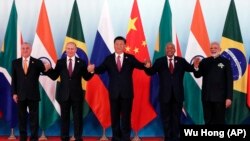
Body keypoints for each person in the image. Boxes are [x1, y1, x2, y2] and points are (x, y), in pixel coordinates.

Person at [87, 36, 149, 141]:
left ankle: (125, 137)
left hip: (127, 93)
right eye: (117, 44)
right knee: (114, 117)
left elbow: (141, 65)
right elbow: (101, 69)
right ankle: (116, 137)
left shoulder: (130, 58)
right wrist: (93, 69)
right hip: (114, 93)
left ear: (125, 46)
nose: (119, 46)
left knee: (126, 117)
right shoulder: (109, 59)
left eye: (121, 44)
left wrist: (146, 64)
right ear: (114, 45)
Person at [145, 42, 196, 141]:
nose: (170, 50)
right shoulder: (160, 61)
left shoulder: (181, 61)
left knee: (176, 117)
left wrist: (195, 65)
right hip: (164, 95)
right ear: (165, 50)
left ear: (175, 50)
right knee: (166, 118)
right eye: (168, 48)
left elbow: (191, 69)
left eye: (172, 48)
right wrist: (147, 67)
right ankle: (168, 137)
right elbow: (151, 72)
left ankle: (176, 137)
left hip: (178, 95)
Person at [46, 42, 93, 141]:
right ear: (65, 50)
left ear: (76, 50)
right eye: (68, 48)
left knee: (78, 118)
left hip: (77, 95)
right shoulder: (60, 62)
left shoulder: (81, 62)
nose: (70, 50)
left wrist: (91, 71)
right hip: (64, 94)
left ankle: (78, 137)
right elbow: (54, 76)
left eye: (72, 49)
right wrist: (48, 70)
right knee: (64, 118)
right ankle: (64, 137)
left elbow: (86, 77)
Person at [11, 42, 50, 141]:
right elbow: (14, 79)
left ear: (30, 49)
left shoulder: (37, 62)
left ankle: (33, 138)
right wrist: (14, 93)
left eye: (27, 48)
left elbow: (45, 71)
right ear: (21, 50)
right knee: (22, 118)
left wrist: (48, 66)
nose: (25, 50)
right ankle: (23, 138)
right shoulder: (15, 62)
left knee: (34, 119)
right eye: (23, 48)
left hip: (33, 95)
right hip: (20, 95)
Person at [193, 41, 233, 124]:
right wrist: (196, 67)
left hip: (220, 98)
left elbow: (229, 80)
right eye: (211, 48)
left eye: (215, 48)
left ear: (220, 49)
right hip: (207, 97)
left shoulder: (226, 62)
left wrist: (229, 97)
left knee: (219, 121)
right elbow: (198, 75)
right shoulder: (204, 61)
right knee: (208, 121)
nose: (213, 50)